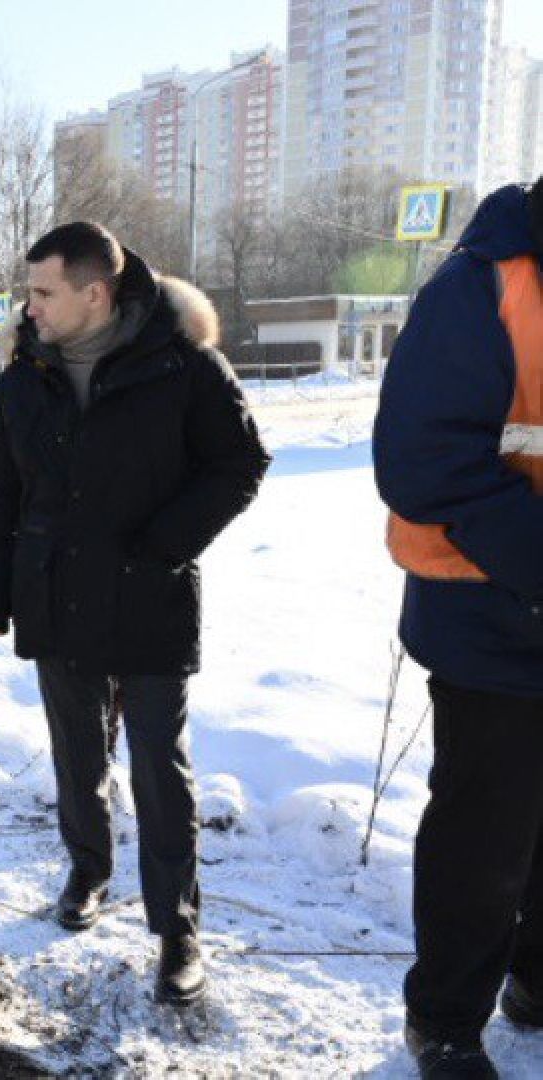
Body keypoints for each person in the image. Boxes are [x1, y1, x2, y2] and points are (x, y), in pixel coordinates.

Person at [0, 222, 269, 1005]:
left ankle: (177, 931)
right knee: (76, 754)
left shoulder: (182, 366)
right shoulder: (21, 376)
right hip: (53, 594)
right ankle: (87, 870)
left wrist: (165, 543)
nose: (26, 306)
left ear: (94, 293)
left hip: (147, 597)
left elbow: (240, 461)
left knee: (159, 769)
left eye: (42, 292)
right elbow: (0, 491)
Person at [373, 178, 543, 1079]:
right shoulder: (481, 283)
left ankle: (536, 982)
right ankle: (441, 1022)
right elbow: (424, 458)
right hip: (489, 620)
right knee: (485, 838)